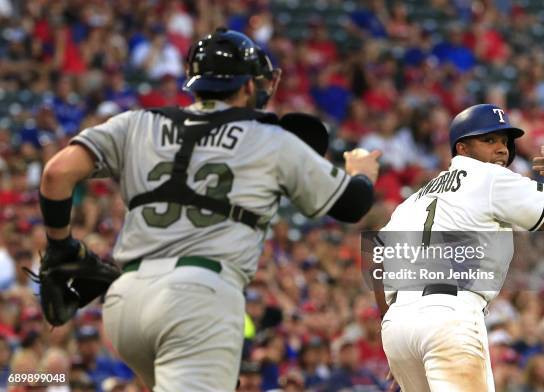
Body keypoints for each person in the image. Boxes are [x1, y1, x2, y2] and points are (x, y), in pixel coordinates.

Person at [38, 28, 381, 391]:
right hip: (199, 296)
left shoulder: (137, 122)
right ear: (248, 86)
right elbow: (354, 204)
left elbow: (57, 174)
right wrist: (361, 173)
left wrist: (61, 246)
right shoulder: (270, 138)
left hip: (126, 302)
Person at [374, 104, 544, 391]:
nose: (502, 149)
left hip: (399, 325)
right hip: (451, 315)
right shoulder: (488, 177)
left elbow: (376, 257)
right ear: (463, 149)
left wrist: (395, 327)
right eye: (489, 139)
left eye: (505, 142)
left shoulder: (414, 199)